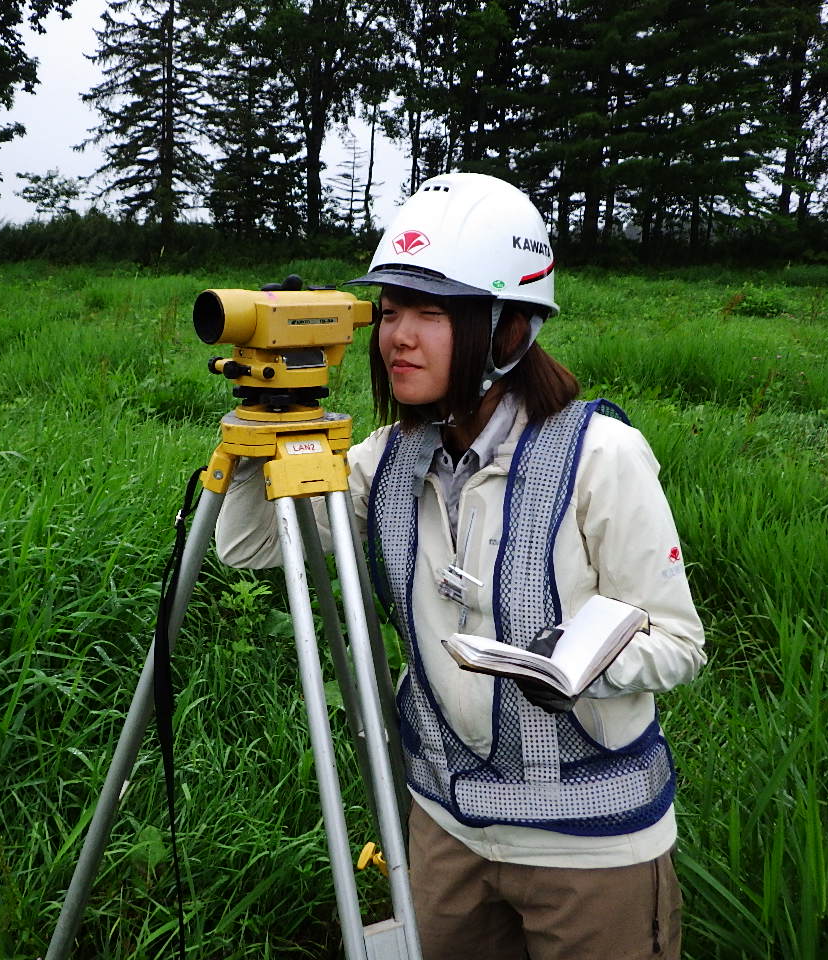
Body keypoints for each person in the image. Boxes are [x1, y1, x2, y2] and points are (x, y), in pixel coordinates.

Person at [215, 172, 705, 960]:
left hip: (589, 851)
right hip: (444, 828)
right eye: (391, 310)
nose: (397, 336)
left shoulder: (600, 457)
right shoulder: (388, 459)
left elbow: (679, 643)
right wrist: (260, 434)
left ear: (508, 330)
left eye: (432, 313)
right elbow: (250, 548)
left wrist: (574, 662)